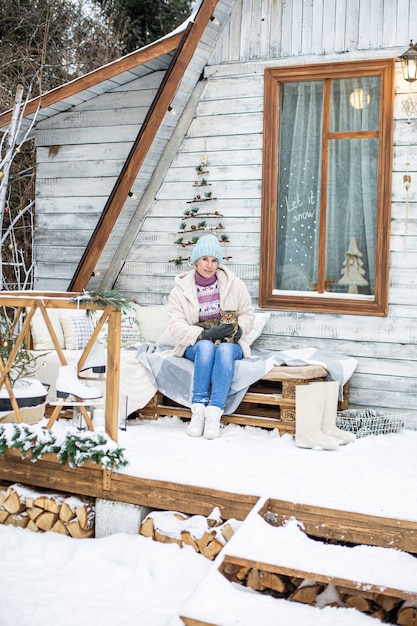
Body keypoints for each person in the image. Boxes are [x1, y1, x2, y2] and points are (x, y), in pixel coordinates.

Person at [168, 234, 255, 439]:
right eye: (205, 259)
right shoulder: (181, 290)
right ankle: (198, 411)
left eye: (214, 260)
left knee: (224, 350)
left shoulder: (234, 284)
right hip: (197, 342)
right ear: (196, 261)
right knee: (206, 347)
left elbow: (248, 313)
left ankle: (214, 412)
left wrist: (240, 329)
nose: (209, 265)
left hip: (228, 341)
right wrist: (204, 335)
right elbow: (175, 326)